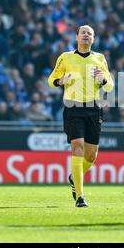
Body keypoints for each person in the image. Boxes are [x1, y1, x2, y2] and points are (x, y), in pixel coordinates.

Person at [48, 25, 114, 207]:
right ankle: (80, 196)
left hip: (93, 108)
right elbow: (51, 80)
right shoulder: (66, 57)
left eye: (90, 33)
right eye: (83, 32)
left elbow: (110, 87)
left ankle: (73, 177)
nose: (86, 35)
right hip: (73, 107)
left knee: (91, 156)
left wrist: (103, 80)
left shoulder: (99, 58)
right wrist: (60, 81)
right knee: (77, 147)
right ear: (77, 36)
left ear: (93, 39)